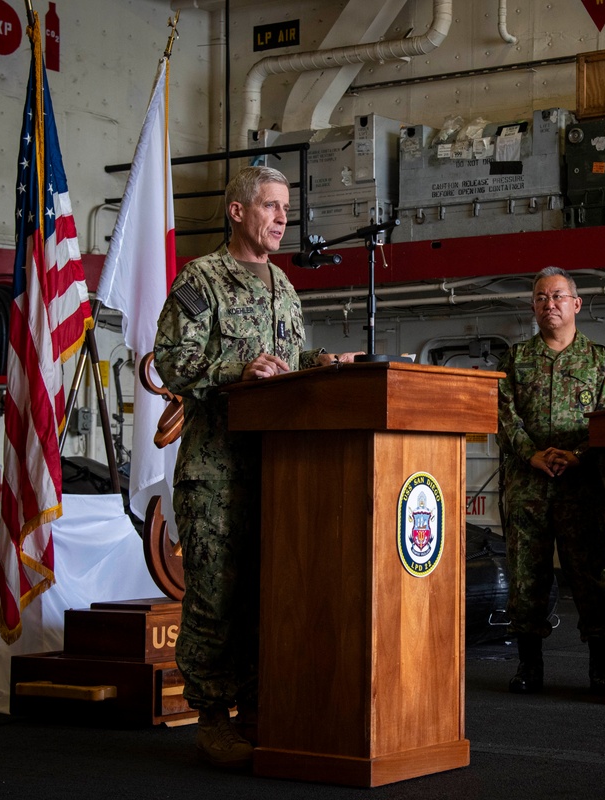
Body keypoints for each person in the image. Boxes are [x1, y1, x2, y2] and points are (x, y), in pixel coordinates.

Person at [154, 165, 359, 769]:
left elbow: (285, 360)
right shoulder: (203, 279)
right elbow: (170, 361)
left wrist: (324, 363)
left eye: (285, 208)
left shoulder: (284, 286)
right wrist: (232, 375)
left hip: (279, 470)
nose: (281, 218)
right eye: (270, 206)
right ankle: (212, 717)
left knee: (271, 594)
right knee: (217, 597)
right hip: (217, 472)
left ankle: (260, 708)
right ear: (237, 211)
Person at [496, 266, 605, 696]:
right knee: (526, 577)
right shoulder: (515, 360)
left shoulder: (601, 361)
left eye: (556, 297)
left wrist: (578, 455)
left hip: (580, 487)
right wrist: (531, 453)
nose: (548, 305)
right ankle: (529, 667)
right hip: (527, 488)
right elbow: (502, 415)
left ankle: (601, 669)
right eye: (539, 298)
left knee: (591, 576)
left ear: (576, 304)